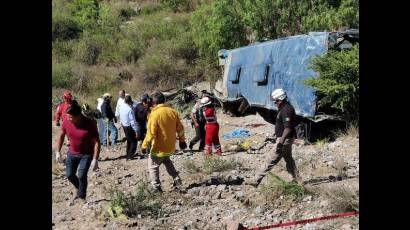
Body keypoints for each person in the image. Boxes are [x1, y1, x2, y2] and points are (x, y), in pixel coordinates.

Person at [246, 89, 302, 187]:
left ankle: (256, 180)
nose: (275, 103)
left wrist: (280, 141)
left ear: (281, 99)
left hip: (284, 140)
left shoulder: (286, 110)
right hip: (285, 139)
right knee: (289, 160)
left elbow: (288, 128)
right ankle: (298, 180)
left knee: (270, 160)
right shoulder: (284, 108)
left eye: (276, 101)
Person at [141, 92, 187, 192]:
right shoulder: (172, 111)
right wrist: (182, 141)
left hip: (159, 147)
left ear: (153, 102)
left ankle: (156, 187)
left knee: (153, 165)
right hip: (170, 146)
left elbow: (151, 133)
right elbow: (180, 128)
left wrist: (144, 145)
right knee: (166, 160)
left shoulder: (154, 114)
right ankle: (177, 179)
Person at [55, 103, 100, 203]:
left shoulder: (90, 124)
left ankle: (82, 197)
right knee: (69, 174)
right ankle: (81, 191)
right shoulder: (66, 121)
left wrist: (95, 159)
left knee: (81, 175)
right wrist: (58, 151)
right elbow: (61, 135)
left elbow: (96, 142)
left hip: (86, 154)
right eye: (67, 116)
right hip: (72, 152)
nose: (68, 118)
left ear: (78, 116)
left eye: (70, 117)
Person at [119, 95, 141, 160]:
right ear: (130, 102)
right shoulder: (129, 110)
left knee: (129, 141)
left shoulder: (121, 107)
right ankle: (130, 156)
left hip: (124, 126)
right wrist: (136, 131)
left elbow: (120, 116)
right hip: (129, 127)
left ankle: (128, 155)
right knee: (134, 141)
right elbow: (133, 121)